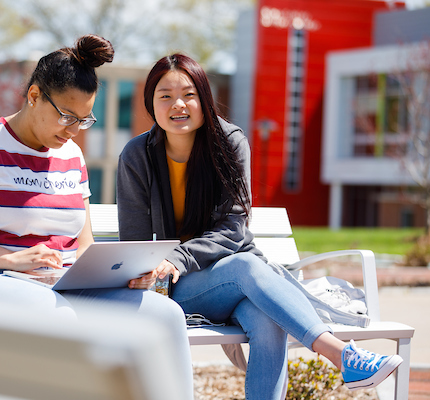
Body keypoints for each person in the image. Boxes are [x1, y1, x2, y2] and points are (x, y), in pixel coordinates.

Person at [0, 35, 194, 398]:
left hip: (63, 286)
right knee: (57, 315)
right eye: (66, 116)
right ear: (33, 97)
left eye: (84, 120)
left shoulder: (72, 157)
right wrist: (9, 258)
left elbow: (83, 243)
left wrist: (119, 275)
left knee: (165, 315)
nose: (74, 130)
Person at [116, 53, 403, 399]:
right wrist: (167, 266)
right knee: (246, 266)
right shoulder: (137, 156)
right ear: (151, 103)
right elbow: (133, 241)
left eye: (189, 94)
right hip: (178, 289)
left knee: (267, 321)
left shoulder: (229, 142)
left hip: (233, 280)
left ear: (205, 98)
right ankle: (341, 354)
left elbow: (233, 228)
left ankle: (344, 357)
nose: (178, 104)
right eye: (165, 95)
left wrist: (181, 256)